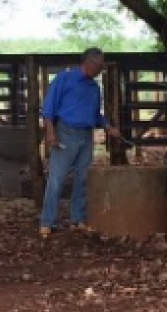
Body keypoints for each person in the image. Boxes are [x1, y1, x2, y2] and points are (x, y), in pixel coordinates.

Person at [39, 47, 120, 237]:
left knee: (82, 179)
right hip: (65, 132)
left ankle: (78, 219)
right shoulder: (64, 79)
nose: (101, 70)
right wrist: (51, 134)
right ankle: (47, 221)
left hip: (86, 134)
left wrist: (108, 126)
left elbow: (94, 114)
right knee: (57, 179)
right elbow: (48, 109)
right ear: (89, 63)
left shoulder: (94, 87)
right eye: (99, 66)